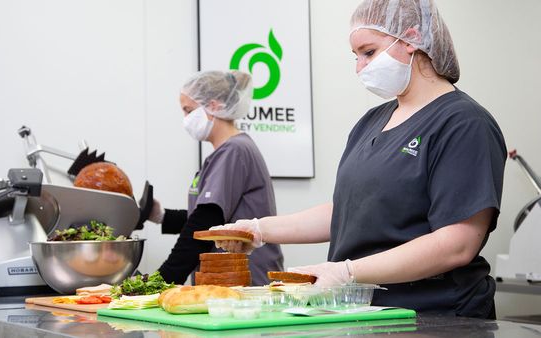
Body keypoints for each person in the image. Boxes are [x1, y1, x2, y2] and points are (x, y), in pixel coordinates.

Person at [212, 0, 506, 319]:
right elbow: (349, 211)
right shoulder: (371, 121)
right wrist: (258, 229)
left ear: (410, 40)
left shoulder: (463, 123)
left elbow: (457, 244)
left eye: (368, 52)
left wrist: (347, 271)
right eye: (356, 57)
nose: (360, 68)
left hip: (435, 314)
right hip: (366, 312)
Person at [145, 70, 284, 286]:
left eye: (189, 110)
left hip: (244, 282)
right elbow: (216, 219)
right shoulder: (226, 152)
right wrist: (163, 216)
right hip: (227, 281)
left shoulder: (234, 151)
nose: (186, 119)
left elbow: (206, 219)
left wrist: (162, 281)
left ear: (215, 105)